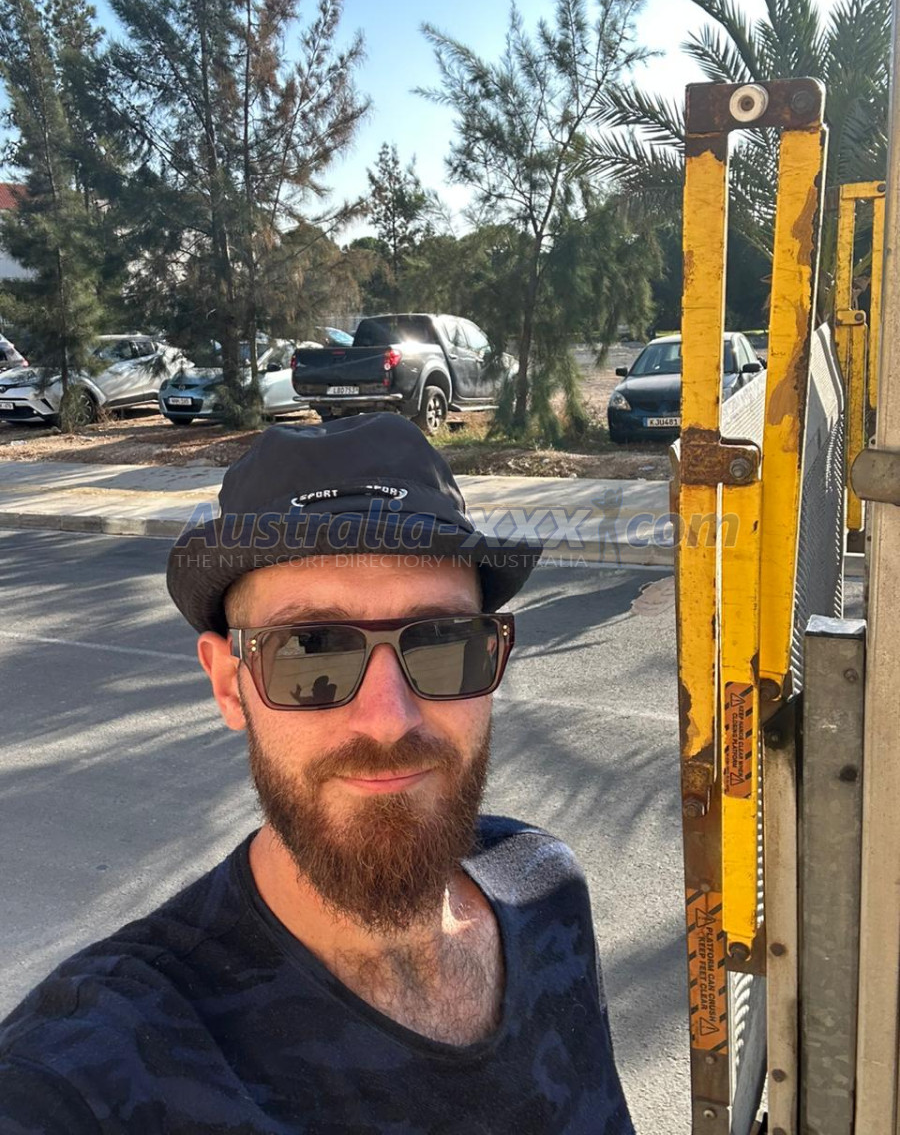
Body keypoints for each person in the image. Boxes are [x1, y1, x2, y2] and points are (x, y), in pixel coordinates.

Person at [0, 414, 634, 1133]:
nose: (388, 720)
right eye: (310, 651)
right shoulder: (90, 1074)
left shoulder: (545, 889)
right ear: (229, 684)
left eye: (443, 642)